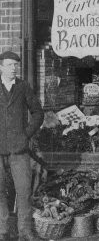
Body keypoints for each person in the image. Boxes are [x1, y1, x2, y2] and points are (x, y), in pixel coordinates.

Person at [0, 51, 44, 241]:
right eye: (9, 65)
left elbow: (38, 113)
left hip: (19, 149)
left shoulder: (23, 86)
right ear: (1, 66)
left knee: (24, 190)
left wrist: (26, 134)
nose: (13, 68)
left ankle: (25, 231)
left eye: (15, 65)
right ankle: (2, 230)